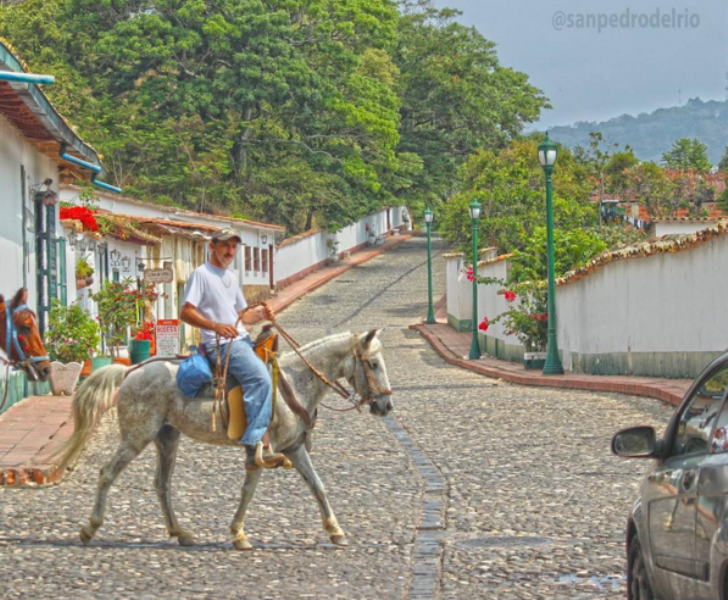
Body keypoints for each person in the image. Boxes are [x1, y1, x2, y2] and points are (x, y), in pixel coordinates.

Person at [180, 228, 276, 468]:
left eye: (233, 247)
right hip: (220, 345)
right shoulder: (201, 274)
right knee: (261, 379)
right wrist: (215, 326)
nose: (229, 251)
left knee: (276, 369)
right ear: (212, 246)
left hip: (241, 339)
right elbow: (186, 312)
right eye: (225, 246)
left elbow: (243, 315)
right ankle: (255, 443)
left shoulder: (231, 277)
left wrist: (263, 314)